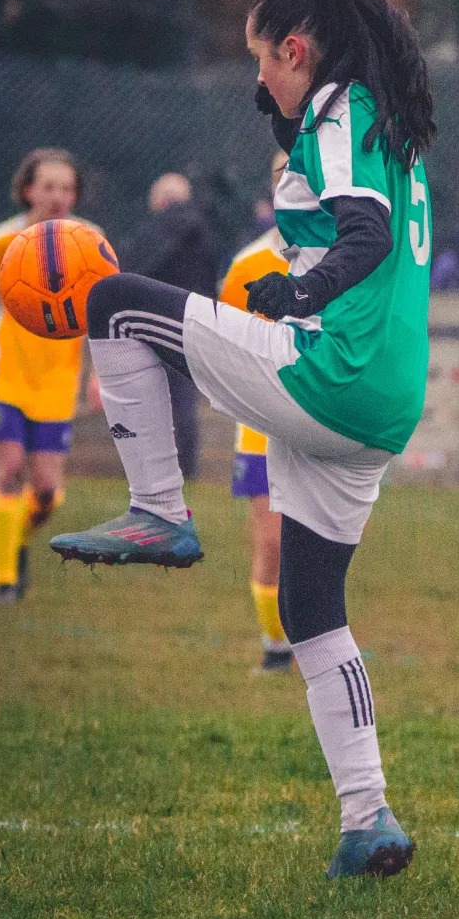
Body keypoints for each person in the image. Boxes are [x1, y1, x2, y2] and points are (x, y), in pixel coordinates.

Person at [50, 0, 435, 880]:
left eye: (262, 59)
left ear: (297, 49)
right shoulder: (382, 124)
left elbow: (365, 235)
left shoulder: (341, 106)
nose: (257, 78)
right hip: (384, 404)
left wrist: (298, 288)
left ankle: (159, 510)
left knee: (112, 301)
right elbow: (356, 218)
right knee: (310, 606)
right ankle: (369, 818)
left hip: (329, 373)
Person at [0, 148, 102, 605]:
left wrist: (97, 375)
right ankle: (3, 579)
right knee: (8, 467)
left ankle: (9, 539)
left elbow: (100, 317)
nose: (58, 196)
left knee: (48, 493)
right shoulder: (0, 242)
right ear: (27, 189)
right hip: (5, 375)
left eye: (67, 188)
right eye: (48, 186)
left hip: (58, 380)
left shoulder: (90, 242)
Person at [217, 150, 291, 674]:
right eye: (282, 174)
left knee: (317, 547)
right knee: (271, 541)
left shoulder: (351, 255)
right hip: (264, 426)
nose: (293, 181)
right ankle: (275, 646)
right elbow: (223, 347)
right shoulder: (248, 264)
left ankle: (313, 639)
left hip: (323, 426)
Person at [122, 172, 221, 478]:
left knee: (147, 396)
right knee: (184, 400)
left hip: (151, 320)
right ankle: (186, 468)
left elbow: (136, 269)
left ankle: (149, 466)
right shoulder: (206, 230)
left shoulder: (155, 230)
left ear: (161, 200)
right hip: (191, 322)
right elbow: (212, 279)